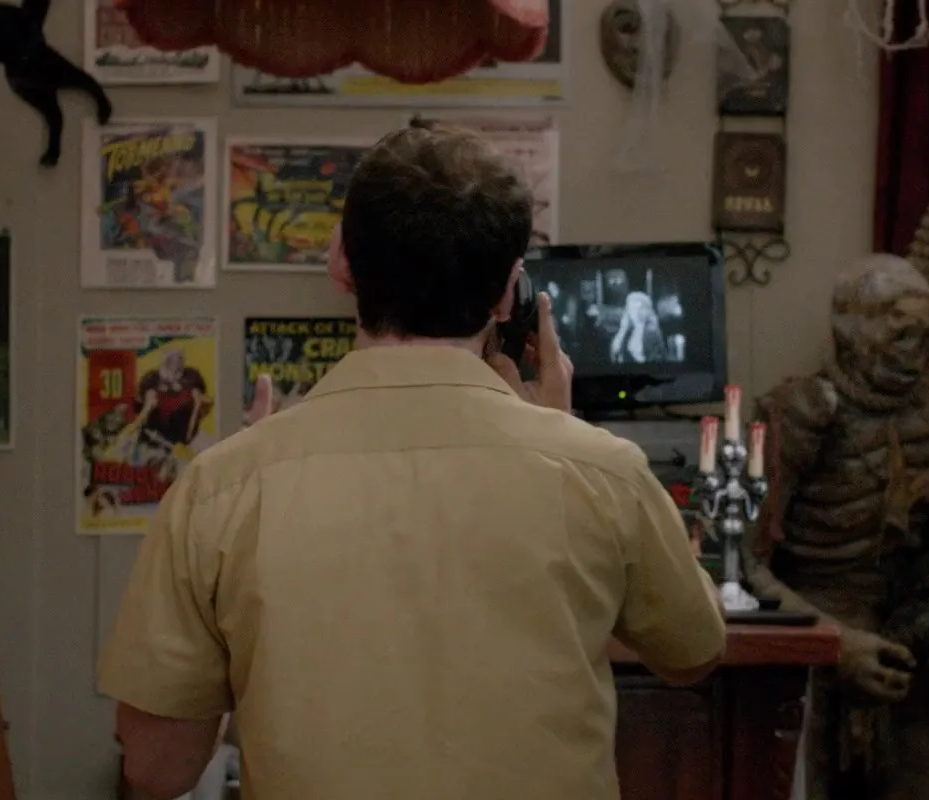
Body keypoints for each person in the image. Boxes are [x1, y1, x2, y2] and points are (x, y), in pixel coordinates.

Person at [99, 125, 727, 800]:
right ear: (508, 293)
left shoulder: (220, 489)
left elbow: (156, 768)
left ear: (342, 261)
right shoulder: (604, 473)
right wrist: (562, 437)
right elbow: (693, 651)